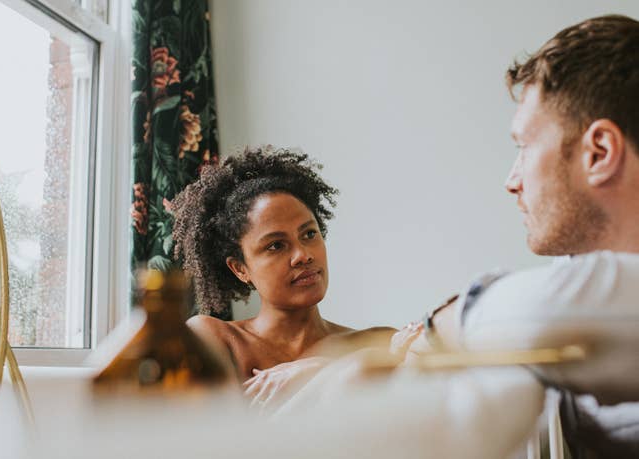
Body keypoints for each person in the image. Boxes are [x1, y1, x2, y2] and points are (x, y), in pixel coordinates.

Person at [280, 14, 639, 457]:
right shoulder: (576, 286)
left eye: (523, 147)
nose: (512, 179)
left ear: (599, 153)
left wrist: (440, 327)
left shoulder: (573, 304)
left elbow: (538, 315)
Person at [170, 147, 395, 404]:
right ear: (240, 268)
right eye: (275, 245)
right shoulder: (214, 338)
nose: (303, 255)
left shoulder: (377, 343)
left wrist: (319, 368)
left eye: (309, 234)